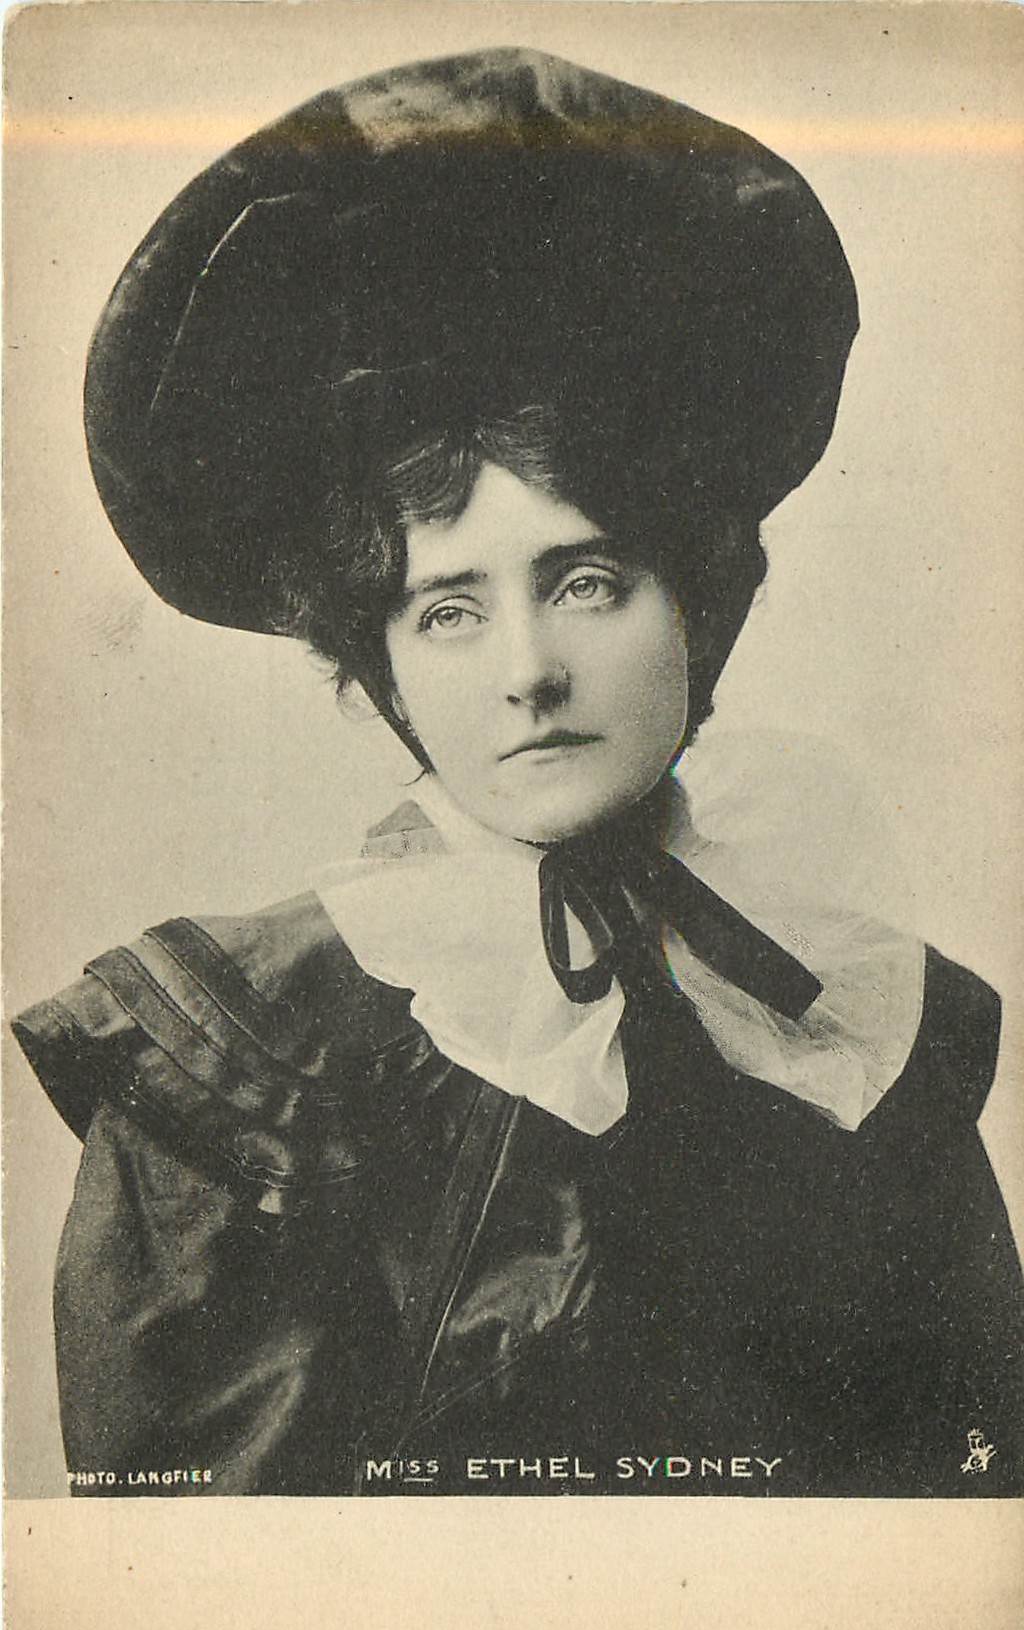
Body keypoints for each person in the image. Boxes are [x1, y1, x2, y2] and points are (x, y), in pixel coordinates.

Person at [12, 47, 1022, 1498]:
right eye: (448, 612)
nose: (527, 670)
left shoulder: (847, 1019)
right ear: (382, 669)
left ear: (700, 605)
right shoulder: (236, 1070)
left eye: (588, 581)